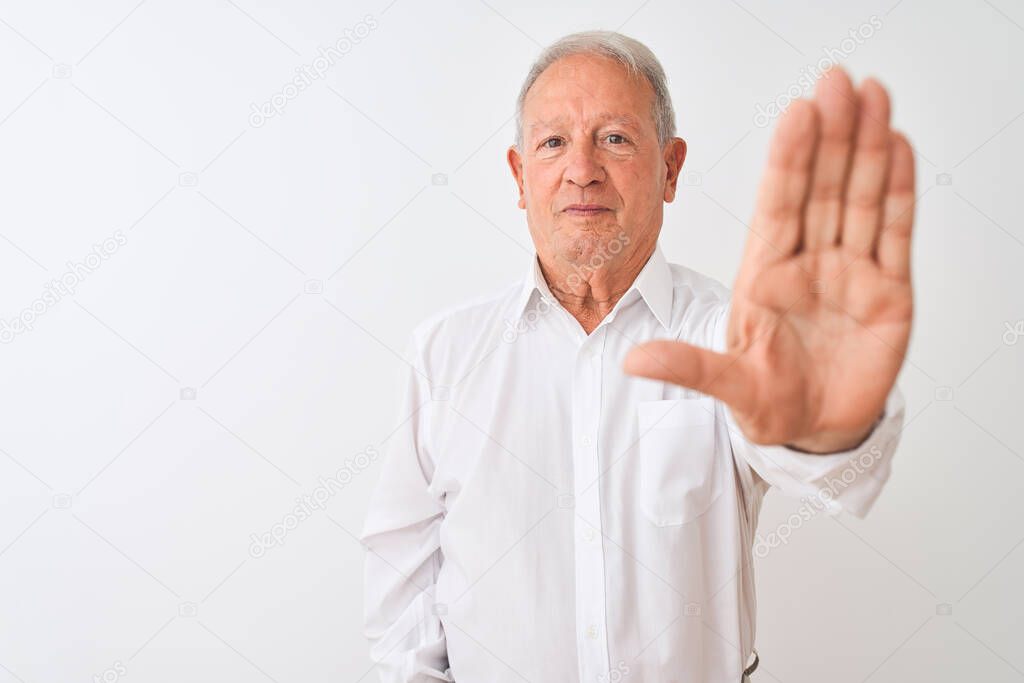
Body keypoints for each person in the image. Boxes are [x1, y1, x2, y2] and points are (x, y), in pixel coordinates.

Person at [360, 29, 914, 682]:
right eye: (553, 142)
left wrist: (826, 427)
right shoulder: (444, 354)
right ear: (519, 175)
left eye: (615, 138)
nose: (581, 169)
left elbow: (818, 463)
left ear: (671, 167)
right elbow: (404, 602)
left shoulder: (730, 338)